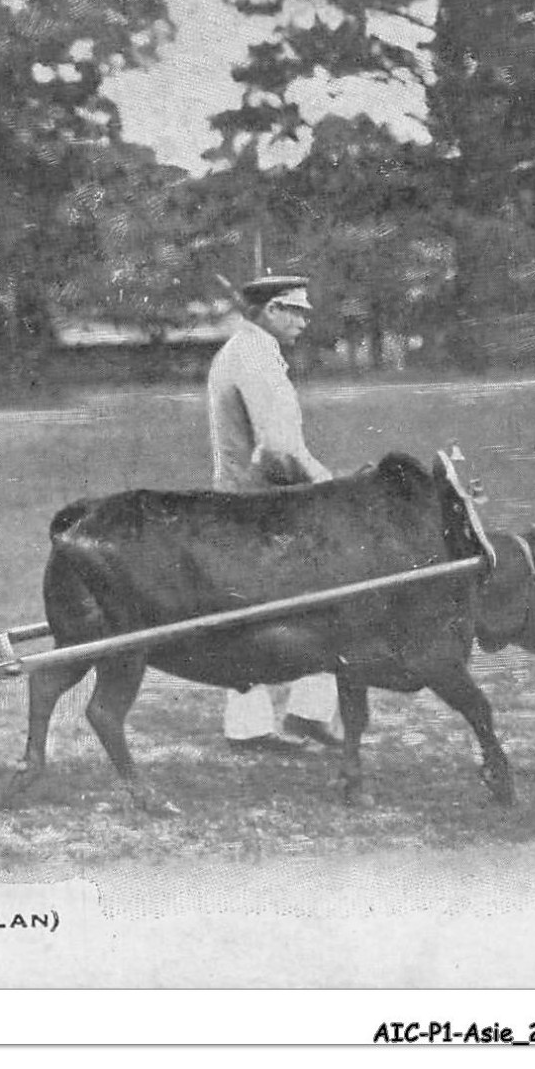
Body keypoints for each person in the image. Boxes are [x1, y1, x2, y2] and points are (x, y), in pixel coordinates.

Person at [206, 274, 343, 753]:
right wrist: (325, 485)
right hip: (262, 509)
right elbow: (278, 451)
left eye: (305, 309)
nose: (304, 319)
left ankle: (270, 721)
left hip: (245, 506)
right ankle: (302, 713)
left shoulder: (244, 350)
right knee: (337, 593)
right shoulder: (256, 355)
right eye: (294, 309)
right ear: (267, 312)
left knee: (253, 614)